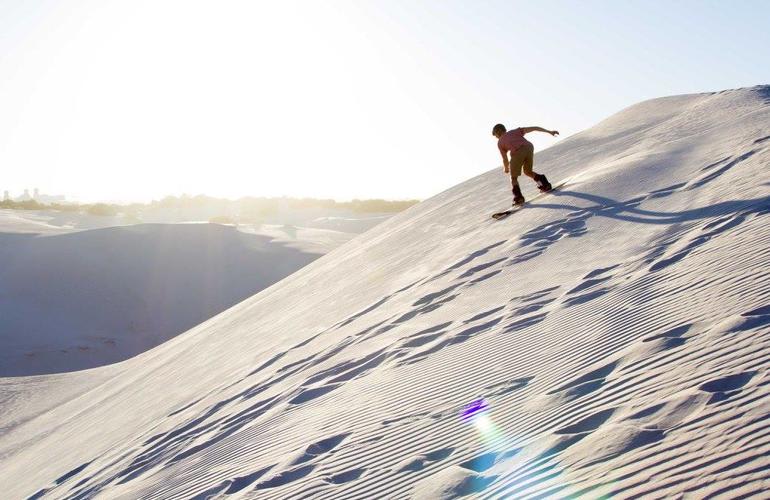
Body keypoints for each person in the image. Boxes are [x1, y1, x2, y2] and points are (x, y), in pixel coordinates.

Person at [492, 124, 559, 205]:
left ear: (498, 132)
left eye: (495, 135)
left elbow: (505, 159)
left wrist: (506, 168)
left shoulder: (500, 142)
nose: (496, 137)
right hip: (529, 148)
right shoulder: (515, 131)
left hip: (518, 152)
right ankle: (544, 184)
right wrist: (549, 132)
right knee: (527, 171)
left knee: (513, 178)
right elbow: (534, 128)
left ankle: (518, 197)